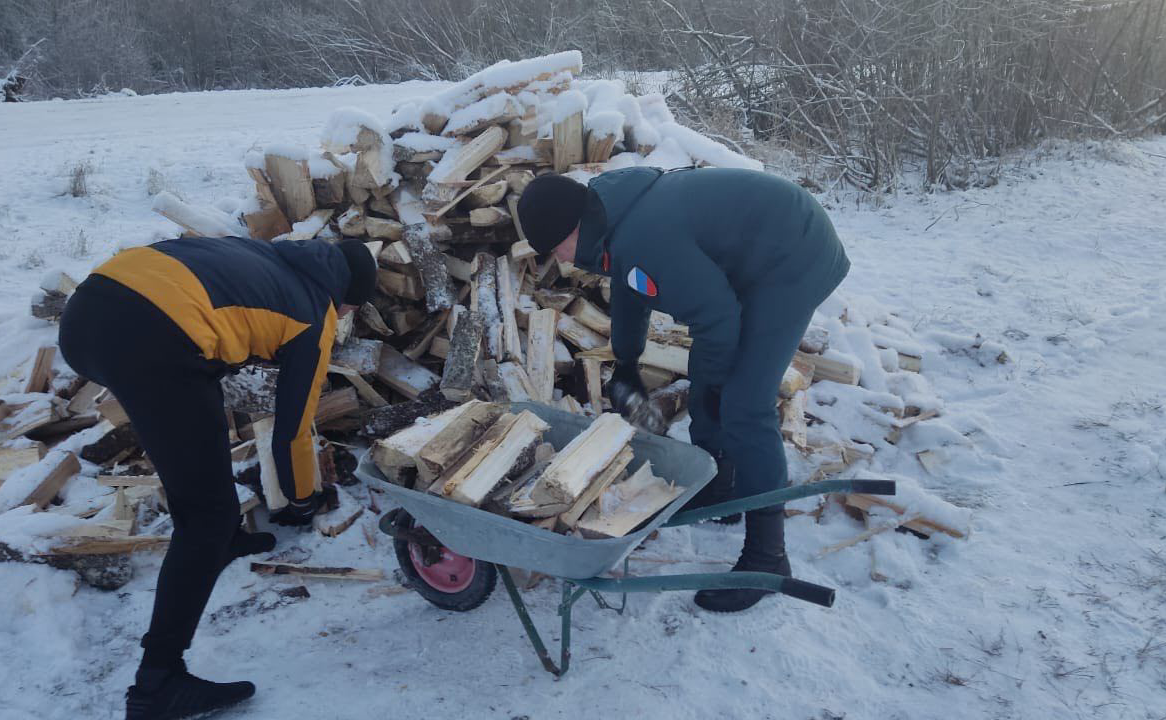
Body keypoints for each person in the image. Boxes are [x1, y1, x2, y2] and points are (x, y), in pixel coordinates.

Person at [58, 236, 377, 720]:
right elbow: (291, 433)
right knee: (203, 516)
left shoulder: (267, 254)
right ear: (348, 296)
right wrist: (302, 499)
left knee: (199, 405)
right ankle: (158, 685)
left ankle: (226, 538)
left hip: (88, 312)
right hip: (148, 337)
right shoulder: (315, 316)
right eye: (354, 305)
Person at [517, 167, 849, 613]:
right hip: (759, 248)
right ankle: (724, 487)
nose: (561, 260)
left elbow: (718, 320)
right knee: (713, 381)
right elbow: (632, 288)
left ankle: (768, 558)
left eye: (559, 247)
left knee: (744, 402)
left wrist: (711, 388)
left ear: (575, 225)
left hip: (794, 252)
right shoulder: (610, 218)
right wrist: (627, 364)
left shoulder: (645, 236)